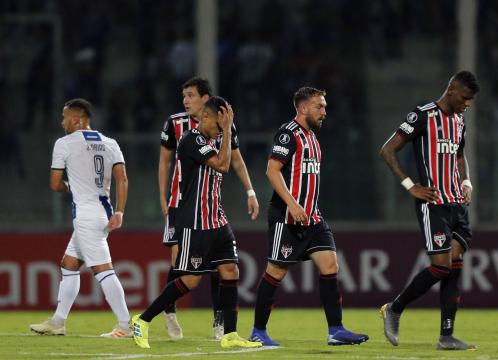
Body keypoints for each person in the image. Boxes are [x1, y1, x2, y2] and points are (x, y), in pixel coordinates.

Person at [132, 96, 261, 350]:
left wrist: (223, 131)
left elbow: (230, 160)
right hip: (195, 221)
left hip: (217, 218)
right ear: (205, 118)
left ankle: (230, 334)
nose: (221, 129)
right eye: (218, 124)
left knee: (230, 271)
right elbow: (222, 166)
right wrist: (226, 130)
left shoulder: (214, 138)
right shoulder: (191, 140)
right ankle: (143, 319)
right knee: (191, 280)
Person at [248, 87, 369, 346]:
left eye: (324, 107)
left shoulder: (312, 138)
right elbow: (272, 170)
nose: (324, 112)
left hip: (312, 218)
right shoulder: (288, 134)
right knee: (276, 272)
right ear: (303, 108)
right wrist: (292, 204)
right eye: (319, 107)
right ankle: (258, 331)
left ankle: (335, 330)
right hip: (286, 217)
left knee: (330, 266)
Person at [379, 71, 480, 350]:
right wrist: (410, 185)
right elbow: (388, 150)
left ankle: (446, 336)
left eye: (470, 100)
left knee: (453, 266)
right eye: (464, 98)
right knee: (441, 266)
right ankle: (395, 308)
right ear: (451, 90)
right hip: (432, 204)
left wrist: (467, 182)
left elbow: (460, 156)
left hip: (457, 204)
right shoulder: (423, 115)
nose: (467, 104)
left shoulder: (459, 121)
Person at [30, 98, 131, 338]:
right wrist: (119, 211)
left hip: (86, 214)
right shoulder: (110, 143)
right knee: (69, 264)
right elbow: (122, 179)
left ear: (76, 120)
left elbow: (55, 184)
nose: (62, 121)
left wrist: (70, 186)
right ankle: (58, 321)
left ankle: (125, 326)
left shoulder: (64, 143)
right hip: (104, 210)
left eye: (64, 117)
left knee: (103, 270)